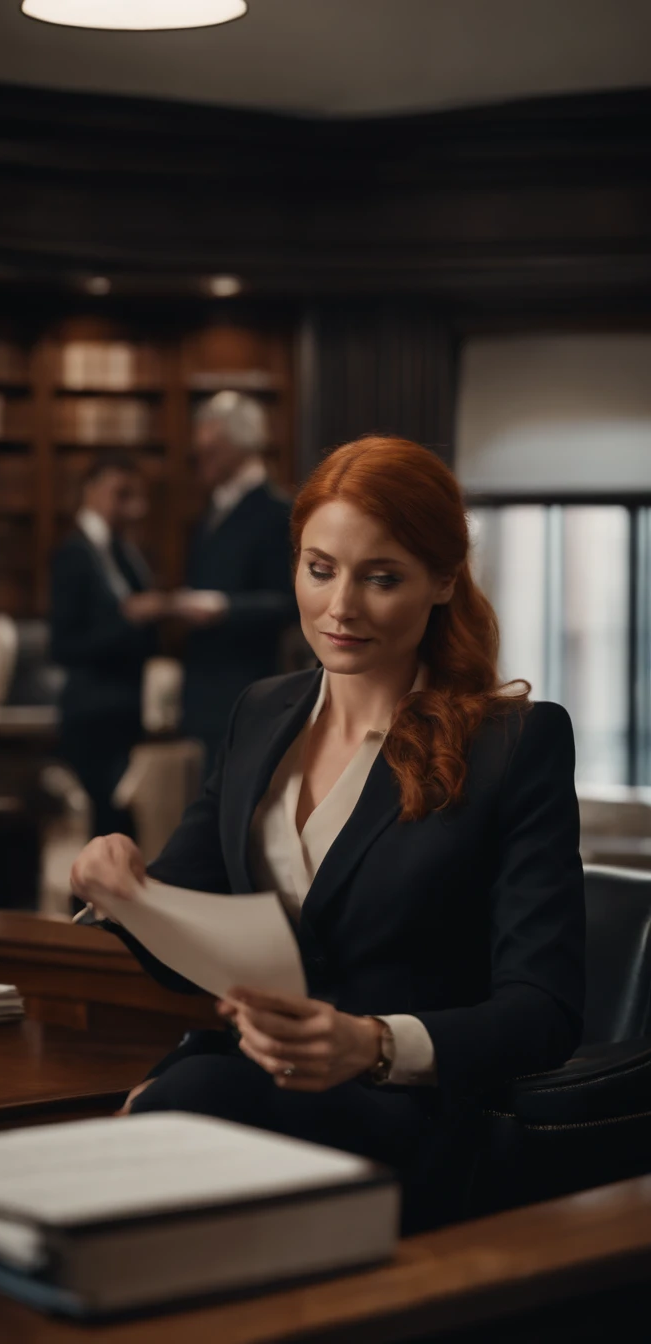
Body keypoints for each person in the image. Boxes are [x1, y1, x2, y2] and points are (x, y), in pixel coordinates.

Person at [71, 436, 585, 1228]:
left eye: (381, 578)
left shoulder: (516, 746)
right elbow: (183, 955)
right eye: (320, 569)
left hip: (401, 1119)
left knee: (173, 1121)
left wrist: (375, 1044)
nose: (340, 607)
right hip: (233, 1086)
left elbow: (544, 1012)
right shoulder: (259, 713)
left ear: (444, 580)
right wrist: (120, 891)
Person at [173, 390, 297, 771]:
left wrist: (225, 608)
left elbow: (291, 602)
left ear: (242, 444)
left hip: (249, 689)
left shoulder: (276, 512)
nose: (199, 455)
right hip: (206, 690)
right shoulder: (211, 508)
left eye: (210, 446)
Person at [51, 453, 167, 838]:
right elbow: (63, 645)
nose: (134, 509)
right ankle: (89, 900)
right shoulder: (74, 554)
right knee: (104, 826)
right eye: (122, 495)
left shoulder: (124, 552)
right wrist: (128, 621)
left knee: (121, 824)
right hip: (92, 713)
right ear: (90, 491)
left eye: (136, 496)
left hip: (124, 710)